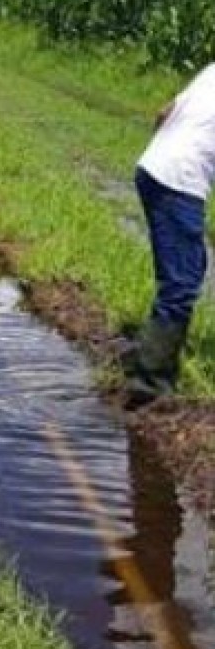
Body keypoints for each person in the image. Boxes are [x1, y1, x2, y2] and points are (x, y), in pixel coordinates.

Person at [124, 63, 215, 404]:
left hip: (155, 166)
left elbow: (164, 114)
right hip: (178, 179)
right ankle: (150, 384)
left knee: (191, 267)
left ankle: (150, 356)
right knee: (180, 283)